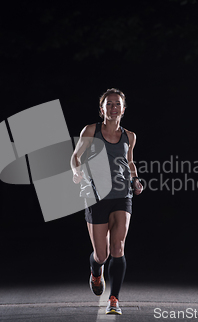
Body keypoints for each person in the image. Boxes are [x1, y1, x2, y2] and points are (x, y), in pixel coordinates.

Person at [70, 88, 143, 315]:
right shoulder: (91, 130)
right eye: (109, 104)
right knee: (102, 255)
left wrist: (136, 180)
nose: (113, 108)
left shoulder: (130, 136)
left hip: (122, 195)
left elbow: (129, 162)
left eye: (117, 104)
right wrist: (76, 172)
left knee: (118, 247)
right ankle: (95, 270)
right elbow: (76, 156)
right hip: (96, 196)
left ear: (123, 109)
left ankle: (114, 299)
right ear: (102, 109)